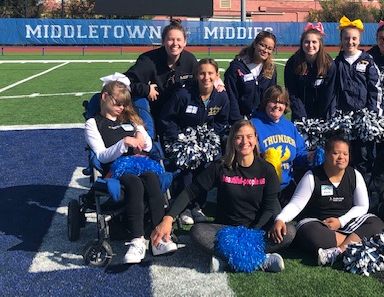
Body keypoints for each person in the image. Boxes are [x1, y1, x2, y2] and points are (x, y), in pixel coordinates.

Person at [151, 120, 295, 273]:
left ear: (255, 139)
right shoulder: (220, 166)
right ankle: (260, 260)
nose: (245, 141)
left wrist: (251, 234)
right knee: (197, 232)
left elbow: (269, 207)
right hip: (226, 231)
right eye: (239, 137)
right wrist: (169, 218)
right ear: (232, 140)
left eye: (249, 136)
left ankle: (228, 260)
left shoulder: (267, 169)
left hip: (256, 230)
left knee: (290, 232)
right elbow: (191, 191)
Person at [85, 77, 177, 264]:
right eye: (117, 103)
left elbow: (149, 145)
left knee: (152, 178)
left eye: (124, 104)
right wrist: (124, 143)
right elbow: (101, 156)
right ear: (104, 97)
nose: (121, 108)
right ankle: (137, 240)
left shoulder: (132, 119)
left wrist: (140, 135)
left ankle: (159, 238)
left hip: (142, 163)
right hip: (117, 168)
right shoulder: (94, 123)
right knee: (134, 182)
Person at [268, 131, 384, 267]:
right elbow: (296, 205)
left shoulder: (355, 175)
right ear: (326, 154)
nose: (341, 157)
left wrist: (341, 222)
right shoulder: (312, 176)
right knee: (312, 235)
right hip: (318, 224)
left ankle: (337, 252)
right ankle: (356, 242)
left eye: (345, 154)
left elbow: (362, 206)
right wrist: (280, 219)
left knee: (376, 223)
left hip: (345, 223)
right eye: (336, 153)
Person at [159, 58, 230, 226]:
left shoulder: (221, 97)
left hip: (205, 141)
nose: (206, 77)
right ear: (196, 75)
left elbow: (222, 121)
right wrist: (181, 138)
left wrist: (208, 136)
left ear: (216, 75)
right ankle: (184, 207)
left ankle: (198, 205)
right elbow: (166, 119)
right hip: (180, 141)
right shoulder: (184, 94)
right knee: (187, 167)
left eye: (210, 73)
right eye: (202, 73)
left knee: (205, 167)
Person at [125, 19, 198, 134]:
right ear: (163, 41)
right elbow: (124, 81)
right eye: (170, 39)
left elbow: (201, 79)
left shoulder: (190, 60)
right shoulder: (148, 60)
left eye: (179, 40)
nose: (175, 44)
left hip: (178, 113)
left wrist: (217, 84)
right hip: (154, 110)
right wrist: (145, 89)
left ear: (185, 42)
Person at [333, 15, 382, 180]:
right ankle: (346, 186)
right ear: (341, 39)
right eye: (346, 38)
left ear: (359, 39)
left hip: (363, 119)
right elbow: (333, 91)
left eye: (354, 38)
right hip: (343, 118)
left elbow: (375, 88)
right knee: (344, 155)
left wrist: (372, 113)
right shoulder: (337, 63)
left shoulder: (367, 61)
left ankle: (365, 189)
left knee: (363, 155)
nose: (350, 42)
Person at [251, 85, 314, 205]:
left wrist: (308, 157)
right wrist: (262, 156)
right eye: (273, 101)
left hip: (286, 185)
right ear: (265, 103)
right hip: (262, 187)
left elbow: (298, 154)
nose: (277, 106)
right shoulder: (254, 125)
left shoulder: (289, 126)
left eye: (282, 103)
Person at [284, 22, 336, 121]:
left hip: (322, 115)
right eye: (307, 42)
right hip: (300, 115)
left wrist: (321, 117)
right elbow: (292, 92)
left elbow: (328, 94)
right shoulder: (293, 63)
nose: (310, 45)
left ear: (320, 44)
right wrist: (301, 115)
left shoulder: (329, 64)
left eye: (314, 42)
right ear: (302, 43)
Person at [224, 31, 278, 123]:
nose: (265, 50)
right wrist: (237, 120)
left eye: (270, 48)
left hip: (261, 119)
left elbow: (270, 97)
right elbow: (231, 96)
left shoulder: (271, 69)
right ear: (255, 44)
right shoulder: (236, 67)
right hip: (239, 119)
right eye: (263, 45)